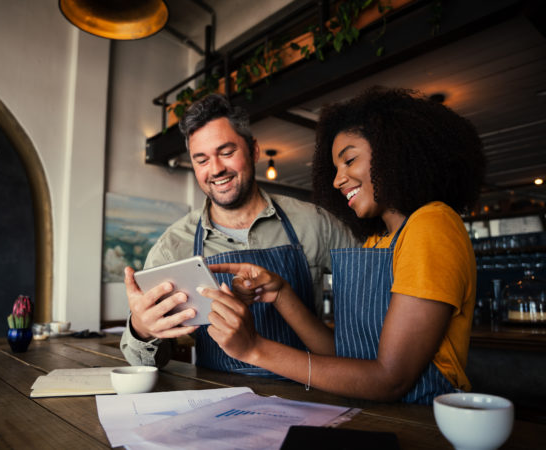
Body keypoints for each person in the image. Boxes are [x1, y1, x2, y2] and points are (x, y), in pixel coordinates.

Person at [201, 86, 486, 403]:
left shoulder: (432, 225)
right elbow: (347, 357)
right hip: (375, 416)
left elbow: (390, 378)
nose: (338, 180)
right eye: (335, 169)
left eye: (349, 160)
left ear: (395, 151)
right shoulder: (378, 241)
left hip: (424, 421)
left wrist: (254, 349)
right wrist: (281, 293)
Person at [120, 94, 356, 376]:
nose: (216, 169)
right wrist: (142, 329)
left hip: (314, 393)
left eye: (227, 152)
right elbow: (148, 365)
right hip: (216, 399)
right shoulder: (173, 246)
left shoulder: (316, 223)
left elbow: (369, 309)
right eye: (202, 159)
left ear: (253, 150)